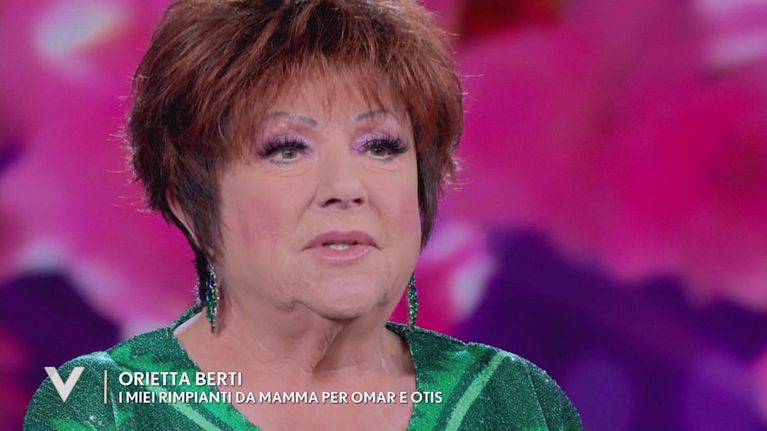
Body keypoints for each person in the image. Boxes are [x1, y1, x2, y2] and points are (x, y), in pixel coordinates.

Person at [24, 0, 584, 429]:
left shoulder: (514, 401)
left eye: (381, 146)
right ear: (188, 199)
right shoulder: (104, 408)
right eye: (286, 149)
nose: (346, 188)